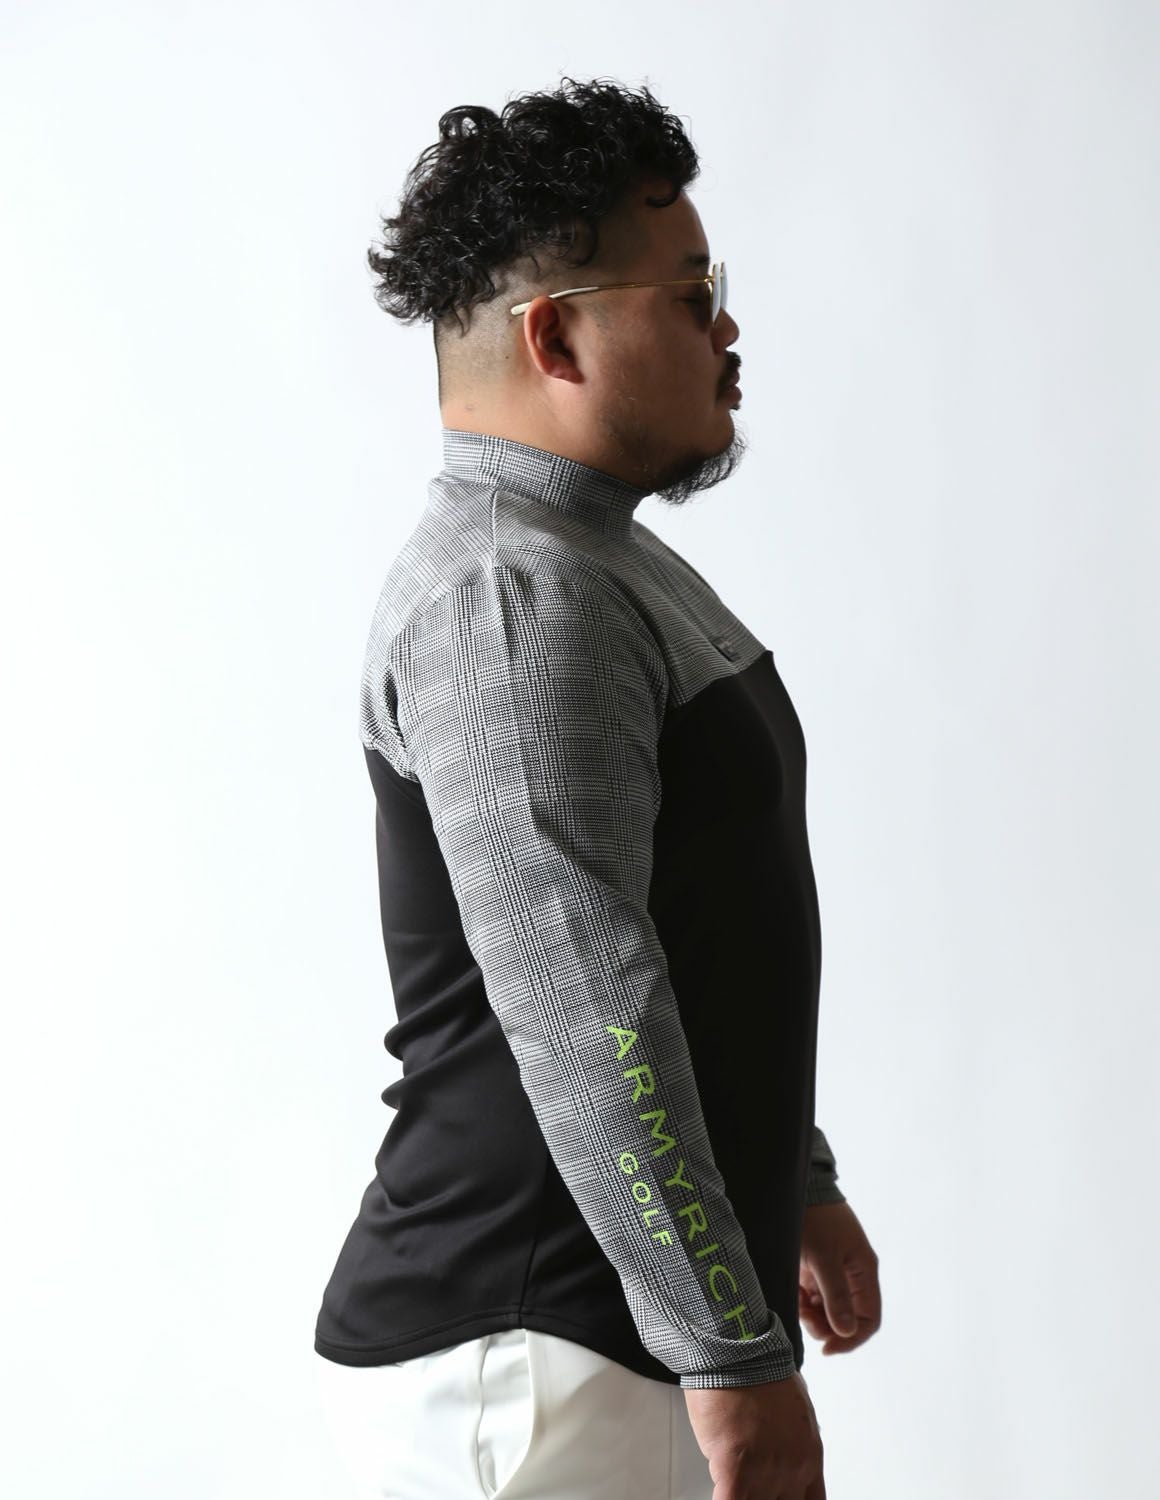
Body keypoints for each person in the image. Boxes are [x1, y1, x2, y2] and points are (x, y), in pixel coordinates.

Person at [313, 74, 882, 1500]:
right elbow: (584, 1000)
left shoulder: (596, 560)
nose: (726, 329)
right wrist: (731, 1354)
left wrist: (795, 1179)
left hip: (602, 1336)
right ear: (555, 333)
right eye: (691, 295)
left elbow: (694, 931)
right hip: (533, 1358)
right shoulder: (516, 595)